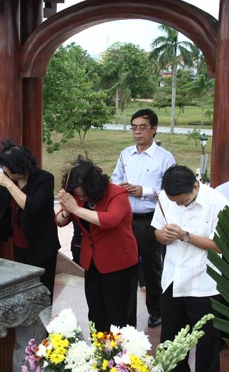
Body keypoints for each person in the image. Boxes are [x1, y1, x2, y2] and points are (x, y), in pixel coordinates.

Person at [152, 165, 227, 372]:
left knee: (207, 343)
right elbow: (156, 230)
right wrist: (162, 236)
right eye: (176, 202)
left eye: (184, 201)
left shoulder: (217, 202)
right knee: (172, 342)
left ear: (196, 185)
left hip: (204, 284)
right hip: (172, 280)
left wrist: (185, 236)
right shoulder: (166, 197)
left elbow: (221, 245)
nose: (180, 206)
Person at [56, 155, 139, 332]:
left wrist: (76, 209)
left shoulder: (117, 193)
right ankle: (99, 348)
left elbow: (111, 220)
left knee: (117, 313)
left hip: (118, 260)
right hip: (92, 260)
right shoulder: (77, 198)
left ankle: (120, 354)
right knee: (95, 309)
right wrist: (65, 211)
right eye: (78, 195)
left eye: (84, 194)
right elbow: (59, 221)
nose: (81, 197)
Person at [111, 108, 176, 328]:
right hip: (126, 219)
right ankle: (127, 318)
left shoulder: (165, 158)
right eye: (134, 127)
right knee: (127, 267)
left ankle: (156, 311)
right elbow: (114, 179)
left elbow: (171, 191)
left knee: (151, 268)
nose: (137, 132)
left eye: (142, 128)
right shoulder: (125, 154)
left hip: (151, 219)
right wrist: (122, 187)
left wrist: (144, 191)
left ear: (154, 130)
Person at [0, 140, 61, 299]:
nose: (9, 176)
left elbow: (32, 206)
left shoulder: (45, 179)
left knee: (42, 289)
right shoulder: (9, 178)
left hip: (41, 243)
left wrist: (9, 184)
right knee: (23, 288)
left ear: (23, 168)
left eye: (12, 173)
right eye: (6, 172)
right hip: (19, 242)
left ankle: (44, 320)